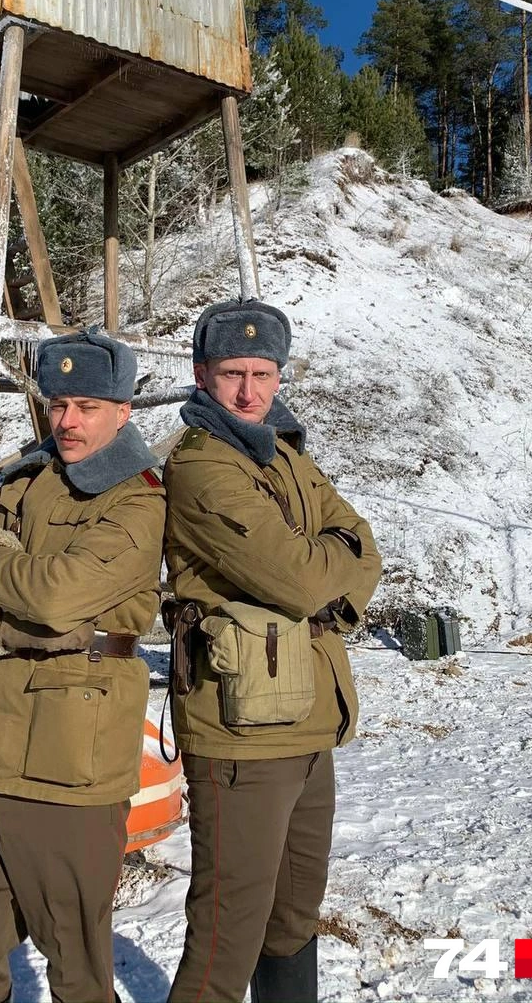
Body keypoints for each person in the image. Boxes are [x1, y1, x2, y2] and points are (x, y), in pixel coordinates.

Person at [0, 328, 166, 1003]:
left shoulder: (138, 499)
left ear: (122, 410)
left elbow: (60, 596)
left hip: (71, 765)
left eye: (86, 405)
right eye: (58, 403)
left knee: (77, 969)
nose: (67, 421)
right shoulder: (29, 479)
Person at [163, 297, 382, 1003]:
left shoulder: (284, 454)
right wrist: (327, 566)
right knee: (227, 936)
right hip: (240, 733)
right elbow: (301, 575)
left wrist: (328, 567)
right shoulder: (203, 465)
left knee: (291, 921)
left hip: (310, 719)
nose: (248, 390)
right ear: (202, 375)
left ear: (280, 377)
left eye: (262, 372)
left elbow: (362, 544)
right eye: (232, 373)